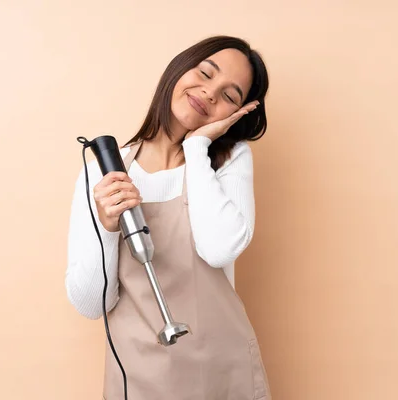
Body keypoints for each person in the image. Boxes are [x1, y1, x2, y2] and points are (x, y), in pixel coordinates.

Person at [66, 35, 272, 400]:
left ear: (237, 114)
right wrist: (107, 225)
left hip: (223, 373)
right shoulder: (105, 174)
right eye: (205, 73)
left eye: (229, 95)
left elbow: (219, 250)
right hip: (138, 376)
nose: (210, 93)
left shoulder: (227, 162)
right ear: (178, 69)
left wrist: (196, 147)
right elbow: (90, 304)